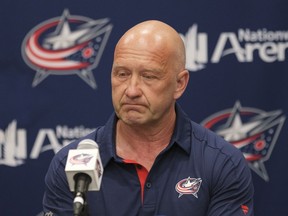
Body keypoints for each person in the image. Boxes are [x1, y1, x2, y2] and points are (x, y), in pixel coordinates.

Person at [43, 20, 254, 216]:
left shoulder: (221, 163)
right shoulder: (70, 165)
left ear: (179, 84)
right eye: (122, 74)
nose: (132, 90)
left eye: (149, 76)